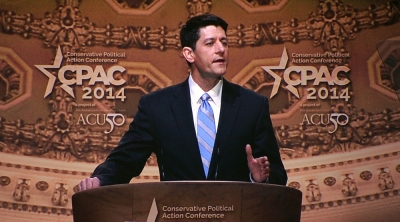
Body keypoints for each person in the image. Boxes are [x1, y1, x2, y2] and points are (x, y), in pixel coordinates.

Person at [78, 13, 287, 191]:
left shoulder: (252, 105)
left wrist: (260, 179)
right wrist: (100, 180)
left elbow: (276, 173)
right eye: (210, 43)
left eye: (224, 42)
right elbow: (125, 160)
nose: (221, 49)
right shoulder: (157, 107)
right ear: (189, 54)